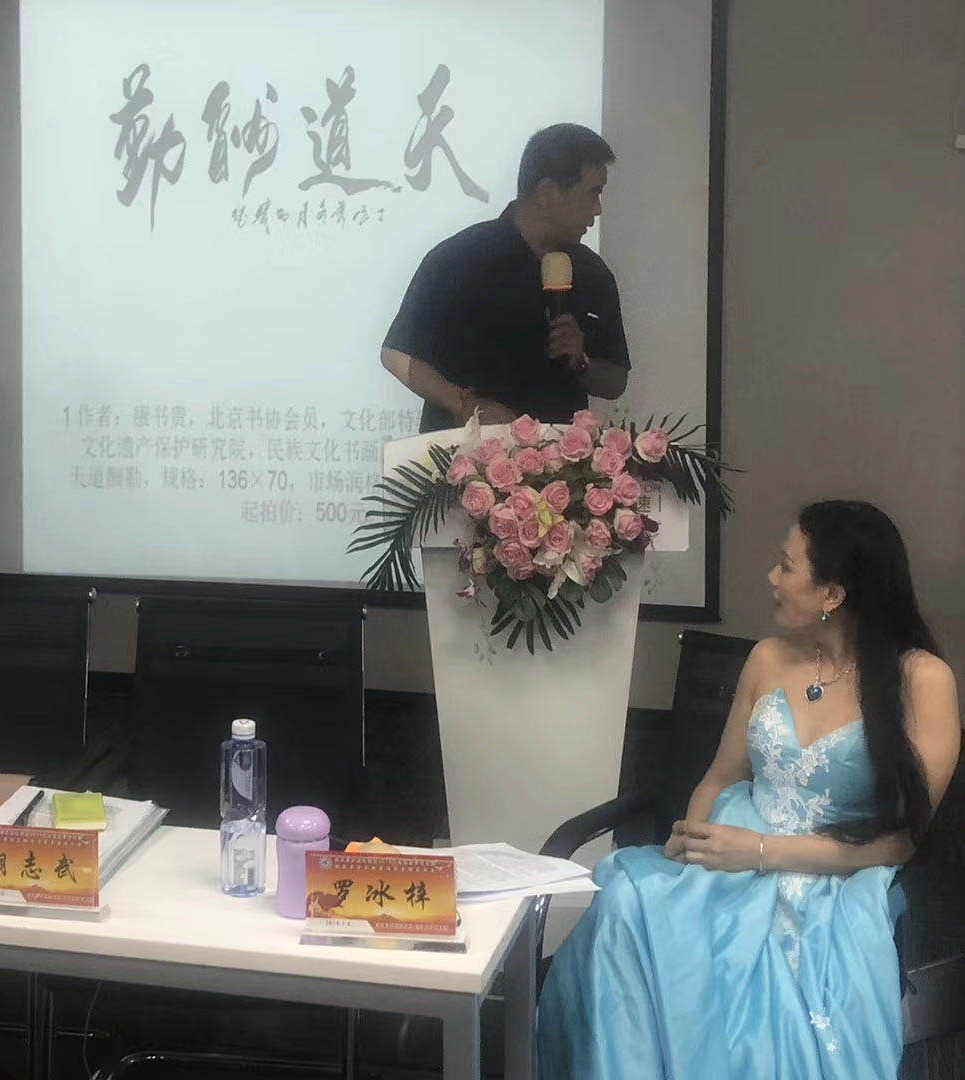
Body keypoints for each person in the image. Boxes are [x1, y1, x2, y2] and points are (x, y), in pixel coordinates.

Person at [538, 500, 960, 1079]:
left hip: (838, 874)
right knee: (626, 905)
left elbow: (904, 842)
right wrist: (693, 840)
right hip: (732, 846)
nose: (771, 578)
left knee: (764, 991)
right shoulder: (767, 658)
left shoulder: (924, 680)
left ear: (833, 593)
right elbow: (721, 776)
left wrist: (761, 853)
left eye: (786, 566)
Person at [381, 123, 630, 432]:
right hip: (466, 453)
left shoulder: (593, 272)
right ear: (547, 192)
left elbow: (616, 382)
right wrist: (461, 404)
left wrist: (582, 361)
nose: (598, 209)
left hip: (561, 457)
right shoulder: (462, 257)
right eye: (593, 193)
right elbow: (397, 353)